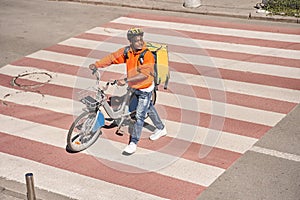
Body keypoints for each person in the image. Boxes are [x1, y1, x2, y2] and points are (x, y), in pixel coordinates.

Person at [89, 28, 167, 154]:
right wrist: (97, 64)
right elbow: (113, 57)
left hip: (145, 88)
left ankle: (133, 143)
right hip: (133, 86)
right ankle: (161, 128)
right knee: (148, 108)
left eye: (141, 39)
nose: (140, 42)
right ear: (130, 41)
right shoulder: (128, 51)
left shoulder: (146, 55)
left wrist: (126, 80)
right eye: (137, 40)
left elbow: (145, 74)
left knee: (139, 116)